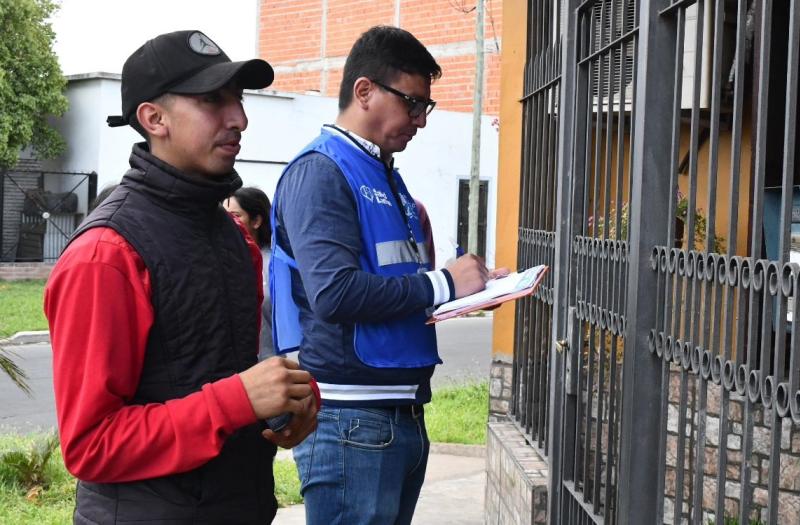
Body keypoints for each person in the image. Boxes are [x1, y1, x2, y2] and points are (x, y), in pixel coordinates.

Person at [44, 30, 318, 524]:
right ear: (154, 118)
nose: (239, 118)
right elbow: (90, 446)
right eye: (213, 100)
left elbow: (241, 368)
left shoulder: (235, 238)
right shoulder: (107, 253)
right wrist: (237, 401)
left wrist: (290, 401)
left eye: (237, 98)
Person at [271, 25, 505, 524]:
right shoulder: (322, 171)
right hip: (352, 418)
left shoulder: (383, 172)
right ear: (364, 91)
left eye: (427, 107)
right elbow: (335, 293)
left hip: (396, 414)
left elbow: (394, 287)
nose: (420, 120)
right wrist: (443, 282)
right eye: (413, 103)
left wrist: (468, 293)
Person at [225, 186, 275, 358]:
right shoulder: (219, 260)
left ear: (256, 221)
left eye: (236, 215)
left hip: (268, 364)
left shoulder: (274, 265)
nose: (228, 221)